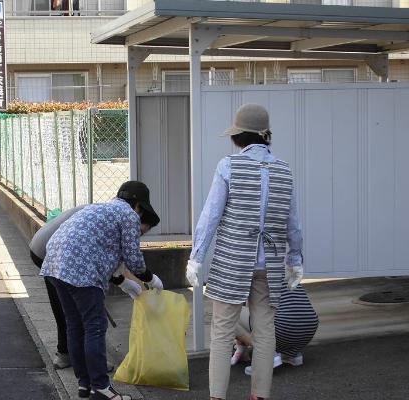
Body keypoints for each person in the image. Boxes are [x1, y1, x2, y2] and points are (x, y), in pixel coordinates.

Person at [185, 104, 304, 400]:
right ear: (265, 136)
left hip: (232, 260)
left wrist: (196, 256)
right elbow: (293, 222)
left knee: (222, 331)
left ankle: (217, 397)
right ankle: (259, 396)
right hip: (271, 263)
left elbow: (211, 215)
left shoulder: (228, 165)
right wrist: (295, 260)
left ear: (239, 136)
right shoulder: (284, 169)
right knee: (265, 331)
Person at [41, 181, 163, 400]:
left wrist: (121, 281)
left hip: (54, 265)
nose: (141, 231)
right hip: (81, 272)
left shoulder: (99, 208)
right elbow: (133, 259)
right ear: (139, 206)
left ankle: (84, 384)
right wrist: (151, 278)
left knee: (75, 326)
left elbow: (100, 249)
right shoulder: (129, 216)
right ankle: (101, 388)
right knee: (95, 327)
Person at [29, 205, 159, 370]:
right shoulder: (122, 219)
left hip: (45, 249)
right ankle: (96, 373)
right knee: (93, 323)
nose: (139, 234)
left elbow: (98, 256)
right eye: (142, 231)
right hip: (56, 254)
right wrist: (148, 279)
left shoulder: (100, 212)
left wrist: (122, 282)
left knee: (70, 315)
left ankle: (72, 363)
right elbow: (122, 260)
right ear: (137, 213)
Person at [231, 281, 319, 375]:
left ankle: (267, 356)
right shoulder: (284, 268)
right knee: (284, 310)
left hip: (282, 328)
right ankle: (291, 355)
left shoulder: (254, 270)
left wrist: (241, 345)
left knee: (229, 316)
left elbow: (242, 302)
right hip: (308, 329)